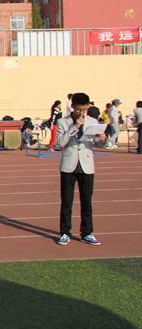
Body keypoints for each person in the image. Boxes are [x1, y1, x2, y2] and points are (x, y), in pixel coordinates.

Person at [56, 92, 107, 246]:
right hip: (69, 165)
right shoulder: (63, 122)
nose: (81, 112)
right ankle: (65, 232)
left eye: (84, 110)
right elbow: (60, 142)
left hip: (86, 165)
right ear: (73, 107)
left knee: (86, 202)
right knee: (67, 202)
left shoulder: (92, 121)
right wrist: (75, 126)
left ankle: (87, 232)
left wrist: (102, 139)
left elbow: (98, 144)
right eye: (78, 109)